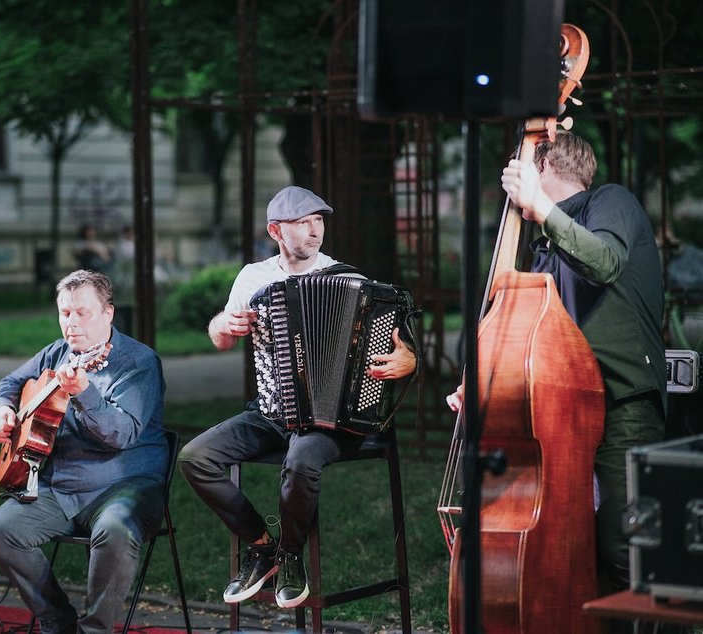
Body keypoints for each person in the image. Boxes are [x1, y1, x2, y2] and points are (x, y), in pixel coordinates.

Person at [449, 132, 667, 609]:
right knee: (563, 538)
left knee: (621, 543)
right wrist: (485, 381)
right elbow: (530, 338)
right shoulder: (543, 247)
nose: (512, 182)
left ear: (542, 167)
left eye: (521, 168)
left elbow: (605, 262)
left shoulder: (611, 201)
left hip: (621, 400)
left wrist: (541, 209)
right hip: (563, 410)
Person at [177, 185, 417, 609]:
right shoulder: (254, 278)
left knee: (301, 460)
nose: (313, 231)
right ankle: (263, 546)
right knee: (195, 457)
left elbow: (403, 347)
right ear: (276, 230)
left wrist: (406, 361)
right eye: (302, 223)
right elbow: (220, 338)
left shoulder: (348, 278)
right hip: (270, 411)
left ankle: (290, 556)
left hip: (334, 418)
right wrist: (224, 324)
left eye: (318, 221)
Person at [0, 269, 167, 634]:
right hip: (62, 487)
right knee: (1, 530)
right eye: (65, 313)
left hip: (125, 484)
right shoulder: (57, 353)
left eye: (82, 313)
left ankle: (96, 629)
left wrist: (84, 393)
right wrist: (3, 408)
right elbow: (11, 382)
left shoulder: (138, 362)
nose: (72, 323)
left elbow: (121, 434)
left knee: (115, 529)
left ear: (108, 313)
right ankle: (59, 622)